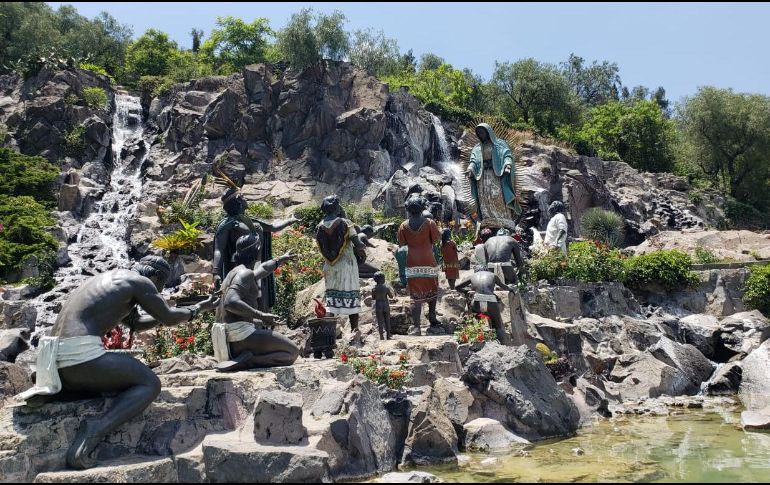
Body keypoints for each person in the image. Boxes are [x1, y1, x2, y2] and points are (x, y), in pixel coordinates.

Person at [15, 256, 219, 470]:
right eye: (161, 285)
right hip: (79, 356)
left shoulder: (109, 280)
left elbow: (136, 324)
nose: (158, 290)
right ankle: (95, 429)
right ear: (156, 276)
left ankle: (61, 392)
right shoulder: (140, 283)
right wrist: (198, 309)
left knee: (113, 385)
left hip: (52, 359)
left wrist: (164, 313)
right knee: (150, 384)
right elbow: (168, 318)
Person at [213, 234, 300, 372]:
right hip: (241, 338)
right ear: (257, 251)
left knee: (260, 326)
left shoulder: (235, 273)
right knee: (292, 352)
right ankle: (249, 360)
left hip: (229, 340)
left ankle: (244, 358)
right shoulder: (244, 274)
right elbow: (231, 302)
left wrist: (279, 260)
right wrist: (262, 315)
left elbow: (263, 270)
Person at [213, 187, 299, 311]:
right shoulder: (228, 224)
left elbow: (272, 227)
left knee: (261, 296)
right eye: (243, 197)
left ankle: (263, 323)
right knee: (247, 296)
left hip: (258, 263)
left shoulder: (251, 221)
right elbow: (218, 249)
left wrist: (290, 220)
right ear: (238, 201)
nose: (245, 199)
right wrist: (216, 273)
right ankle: (249, 325)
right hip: (241, 267)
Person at [315, 195, 364, 331]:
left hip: (329, 266)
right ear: (337, 207)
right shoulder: (345, 223)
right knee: (351, 296)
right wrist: (363, 248)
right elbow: (358, 244)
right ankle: (355, 331)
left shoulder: (319, 226)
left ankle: (329, 332)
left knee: (332, 299)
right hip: (346, 264)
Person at [398, 194, 441, 332]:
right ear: (422, 208)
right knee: (432, 290)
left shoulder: (403, 226)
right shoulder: (429, 223)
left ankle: (416, 326)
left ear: (409, 209)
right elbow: (436, 240)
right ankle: (433, 319)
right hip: (428, 260)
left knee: (415, 296)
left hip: (412, 262)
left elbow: (402, 243)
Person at [465, 123, 520, 232]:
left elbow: (507, 154)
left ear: (488, 131)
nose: (481, 134)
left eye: (482, 132)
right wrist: (470, 169)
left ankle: (502, 218)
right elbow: (473, 160)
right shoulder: (477, 148)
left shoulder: (499, 144)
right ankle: (488, 220)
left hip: (496, 175)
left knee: (497, 195)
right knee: (484, 196)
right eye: (479, 133)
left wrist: (507, 165)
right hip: (482, 177)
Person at [455, 267, 517, 346]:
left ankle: (476, 344)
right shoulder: (493, 275)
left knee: (476, 324)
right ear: (486, 270)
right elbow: (504, 287)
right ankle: (502, 346)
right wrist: (511, 289)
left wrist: (466, 291)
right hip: (491, 300)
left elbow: (457, 287)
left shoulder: (472, 276)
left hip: (477, 300)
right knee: (498, 326)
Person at [371, 271, 395, 340]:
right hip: (385, 304)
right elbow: (391, 296)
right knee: (387, 320)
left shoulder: (374, 289)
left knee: (380, 321)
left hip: (378, 305)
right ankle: (388, 335)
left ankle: (381, 336)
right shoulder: (386, 288)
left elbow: (373, 298)